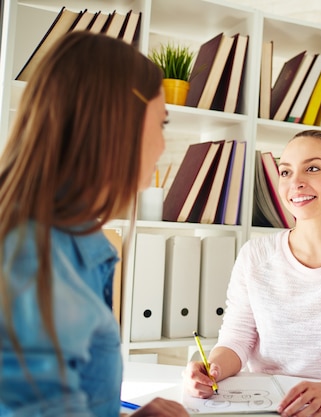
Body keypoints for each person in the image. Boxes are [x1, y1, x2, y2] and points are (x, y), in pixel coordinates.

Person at [0, 32, 188, 416]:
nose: (163, 146)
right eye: (162, 123)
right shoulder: (32, 259)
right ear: (121, 119)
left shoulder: (69, 239)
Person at [183, 130, 321, 417]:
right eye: (286, 172)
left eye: (312, 168)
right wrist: (211, 369)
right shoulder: (256, 255)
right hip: (264, 405)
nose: (296, 183)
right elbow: (237, 340)